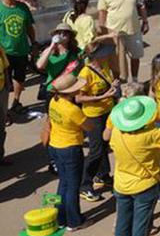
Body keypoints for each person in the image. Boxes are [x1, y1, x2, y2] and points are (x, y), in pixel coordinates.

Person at [107, 95, 160, 236]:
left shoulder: (115, 132)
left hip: (121, 185)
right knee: (141, 227)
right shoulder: (151, 135)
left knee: (122, 223)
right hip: (144, 186)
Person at [46, 74, 93, 231]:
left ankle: (61, 217)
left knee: (63, 183)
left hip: (55, 145)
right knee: (73, 186)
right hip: (70, 148)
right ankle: (74, 221)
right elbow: (89, 127)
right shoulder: (72, 110)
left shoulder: (54, 101)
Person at [75, 40, 118, 202]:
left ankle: (102, 175)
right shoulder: (85, 73)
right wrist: (103, 96)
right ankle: (85, 185)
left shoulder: (105, 66)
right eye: (104, 53)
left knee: (105, 146)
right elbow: (79, 98)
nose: (108, 55)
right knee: (96, 150)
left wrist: (112, 87)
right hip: (93, 115)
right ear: (96, 56)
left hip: (107, 111)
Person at [97, 0, 148, 81]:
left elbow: (141, 5)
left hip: (133, 30)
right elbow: (102, 12)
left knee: (135, 57)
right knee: (117, 61)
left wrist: (145, 21)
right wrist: (103, 31)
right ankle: (119, 84)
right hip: (115, 34)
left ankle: (135, 80)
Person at [0, 0, 36, 115]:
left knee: (20, 78)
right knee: (4, 84)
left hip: (21, 51)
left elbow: (29, 27)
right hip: (4, 54)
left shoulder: (23, 8)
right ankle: (3, 110)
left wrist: (34, 43)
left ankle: (16, 102)